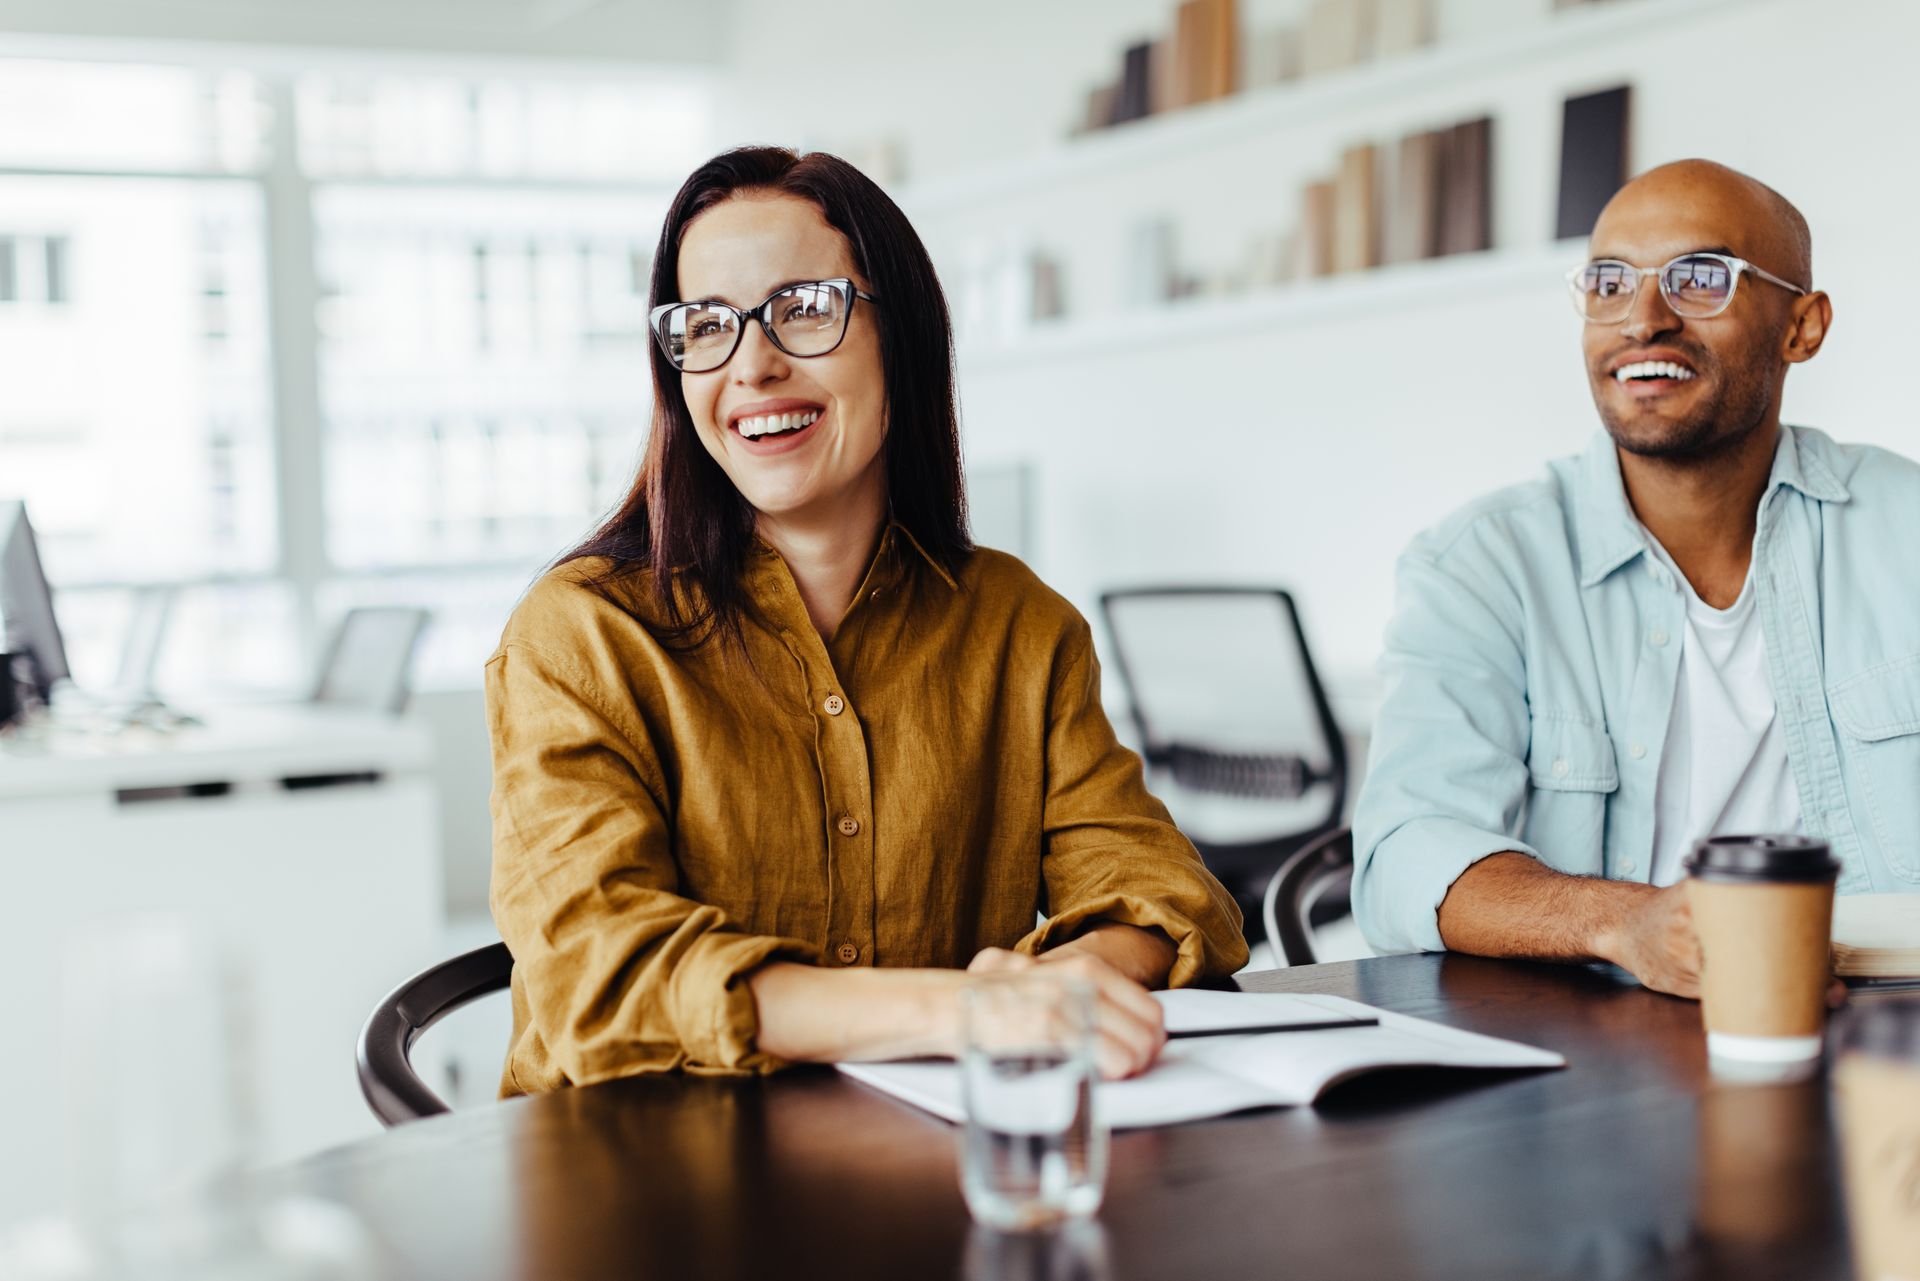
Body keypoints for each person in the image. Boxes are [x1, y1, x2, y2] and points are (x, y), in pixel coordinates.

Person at [487, 146, 1246, 1095]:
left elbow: (1160, 888)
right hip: (645, 1194)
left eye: (805, 309)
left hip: (931, 1177)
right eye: (707, 325)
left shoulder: (1022, 628)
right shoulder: (580, 636)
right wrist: (965, 1011)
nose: (753, 365)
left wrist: (1066, 983)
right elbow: (605, 976)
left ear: (904, 334)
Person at [1353, 159, 1919, 997]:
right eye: (1609, 282)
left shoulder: (1906, 528)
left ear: (1803, 326)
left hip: (1887, 1034)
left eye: (1700, 278)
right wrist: (1627, 923)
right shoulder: (1480, 563)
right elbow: (1408, 852)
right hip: (1597, 1045)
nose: (1644, 318)